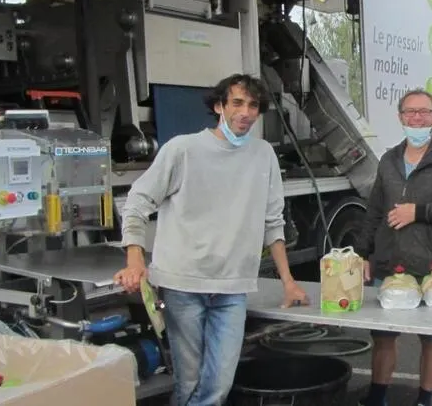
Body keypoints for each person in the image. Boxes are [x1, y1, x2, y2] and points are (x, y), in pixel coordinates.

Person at [113, 73, 309, 406]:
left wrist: (289, 281)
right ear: (219, 106)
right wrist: (135, 258)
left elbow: (273, 221)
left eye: (252, 105)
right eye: (236, 103)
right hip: (182, 284)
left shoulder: (264, 155)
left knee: (218, 383)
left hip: (233, 287)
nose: (245, 112)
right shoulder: (183, 150)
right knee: (189, 382)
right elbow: (138, 201)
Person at [354, 89, 432, 406]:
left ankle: (425, 398)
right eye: (410, 112)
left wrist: (419, 211)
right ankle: (377, 396)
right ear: (400, 118)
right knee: (383, 338)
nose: (417, 118)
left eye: (424, 112)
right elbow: (374, 212)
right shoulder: (388, 160)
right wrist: (361, 253)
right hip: (390, 264)